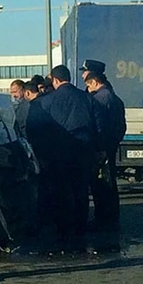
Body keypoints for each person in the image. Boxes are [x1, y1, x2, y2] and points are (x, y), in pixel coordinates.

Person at [37, 65, 99, 251]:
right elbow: (97, 126)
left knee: (60, 191)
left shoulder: (47, 101)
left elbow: (42, 130)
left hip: (58, 153)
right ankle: (80, 226)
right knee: (81, 190)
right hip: (83, 151)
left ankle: (63, 229)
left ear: (55, 80)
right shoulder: (87, 98)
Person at [84, 71, 126, 233]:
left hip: (101, 148)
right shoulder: (114, 98)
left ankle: (103, 219)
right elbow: (121, 126)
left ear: (94, 82)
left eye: (88, 85)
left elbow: (97, 125)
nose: (87, 89)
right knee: (110, 183)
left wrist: (99, 146)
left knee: (101, 184)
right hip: (111, 145)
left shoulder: (99, 99)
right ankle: (110, 217)